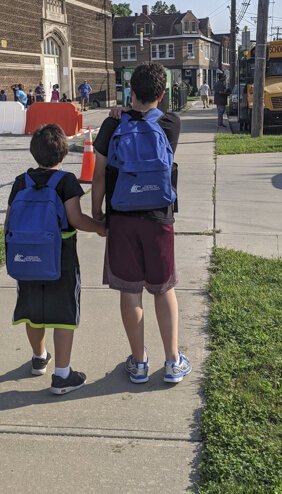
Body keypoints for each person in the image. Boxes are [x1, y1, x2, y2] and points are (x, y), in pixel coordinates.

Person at [92, 63, 191, 386]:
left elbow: (98, 174)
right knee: (163, 289)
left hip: (121, 216)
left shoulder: (111, 126)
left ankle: (138, 363)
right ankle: (173, 361)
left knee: (130, 291)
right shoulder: (170, 124)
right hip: (159, 216)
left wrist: (97, 213)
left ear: (130, 91)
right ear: (162, 95)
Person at [5, 124, 105, 394]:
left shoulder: (20, 182)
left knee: (33, 312)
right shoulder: (66, 182)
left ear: (34, 152)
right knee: (63, 314)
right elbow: (75, 220)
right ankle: (62, 375)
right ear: (62, 153)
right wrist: (99, 227)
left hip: (26, 258)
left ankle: (39, 358)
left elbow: (8, 222)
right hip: (60, 259)